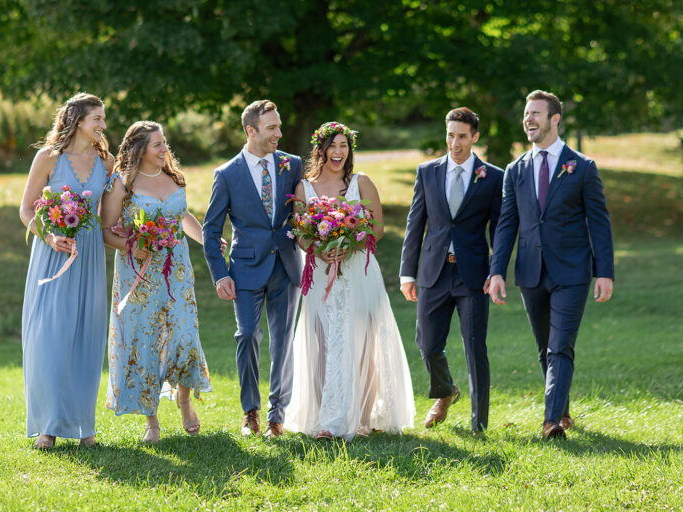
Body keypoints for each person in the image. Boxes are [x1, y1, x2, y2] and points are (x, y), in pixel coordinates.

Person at [488, 90, 614, 439]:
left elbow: (599, 222)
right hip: (530, 272)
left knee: (560, 345)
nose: (529, 119)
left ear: (555, 118)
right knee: (545, 347)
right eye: (526, 114)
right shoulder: (515, 170)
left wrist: (604, 271)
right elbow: (506, 224)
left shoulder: (582, 167)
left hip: (572, 271)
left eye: (536, 114)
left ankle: (551, 421)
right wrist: (497, 270)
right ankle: (562, 408)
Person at [284, 122, 415, 440]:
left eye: (344, 145)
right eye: (333, 146)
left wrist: (349, 243)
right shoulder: (305, 188)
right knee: (322, 345)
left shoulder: (362, 182)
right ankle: (324, 418)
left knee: (364, 345)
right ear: (321, 150)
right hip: (320, 273)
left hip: (358, 272)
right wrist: (319, 249)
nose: (339, 152)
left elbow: (378, 228)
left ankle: (363, 419)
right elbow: (300, 232)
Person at [101, 121, 212, 443]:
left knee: (184, 333)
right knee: (144, 340)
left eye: (165, 143)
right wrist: (134, 246)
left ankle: (184, 400)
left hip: (177, 271)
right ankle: (152, 422)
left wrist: (205, 239)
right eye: (157, 145)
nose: (165, 149)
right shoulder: (121, 184)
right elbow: (107, 230)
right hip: (139, 274)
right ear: (139, 150)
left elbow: (183, 216)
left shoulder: (174, 177)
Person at [202, 100, 303, 438]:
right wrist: (220, 274)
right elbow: (211, 229)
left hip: (286, 266)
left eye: (279, 125)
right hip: (244, 269)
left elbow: (304, 211)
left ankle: (277, 415)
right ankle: (251, 413)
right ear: (251, 130)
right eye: (272, 127)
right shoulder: (227, 174)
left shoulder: (293, 165)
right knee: (247, 335)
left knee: (283, 341)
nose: (279, 132)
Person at [399, 108, 504, 435]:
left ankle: (479, 424)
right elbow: (415, 224)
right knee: (428, 344)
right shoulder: (427, 172)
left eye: (461, 136)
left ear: (474, 137)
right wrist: (407, 272)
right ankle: (445, 390)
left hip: (474, 276)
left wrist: (496, 271)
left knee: (475, 348)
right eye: (450, 135)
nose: (454, 142)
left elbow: (500, 230)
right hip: (433, 272)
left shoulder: (493, 176)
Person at [19, 93, 114, 449]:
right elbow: (26, 210)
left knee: (85, 338)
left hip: (89, 255)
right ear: (77, 120)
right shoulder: (47, 158)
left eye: (103, 119)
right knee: (51, 338)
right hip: (52, 256)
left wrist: (122, 231)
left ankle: (83, 426)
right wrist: (49, 235)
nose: (103, 126)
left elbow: (107, 216)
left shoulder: (107, 161)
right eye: (98, 119)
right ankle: (48, 425)